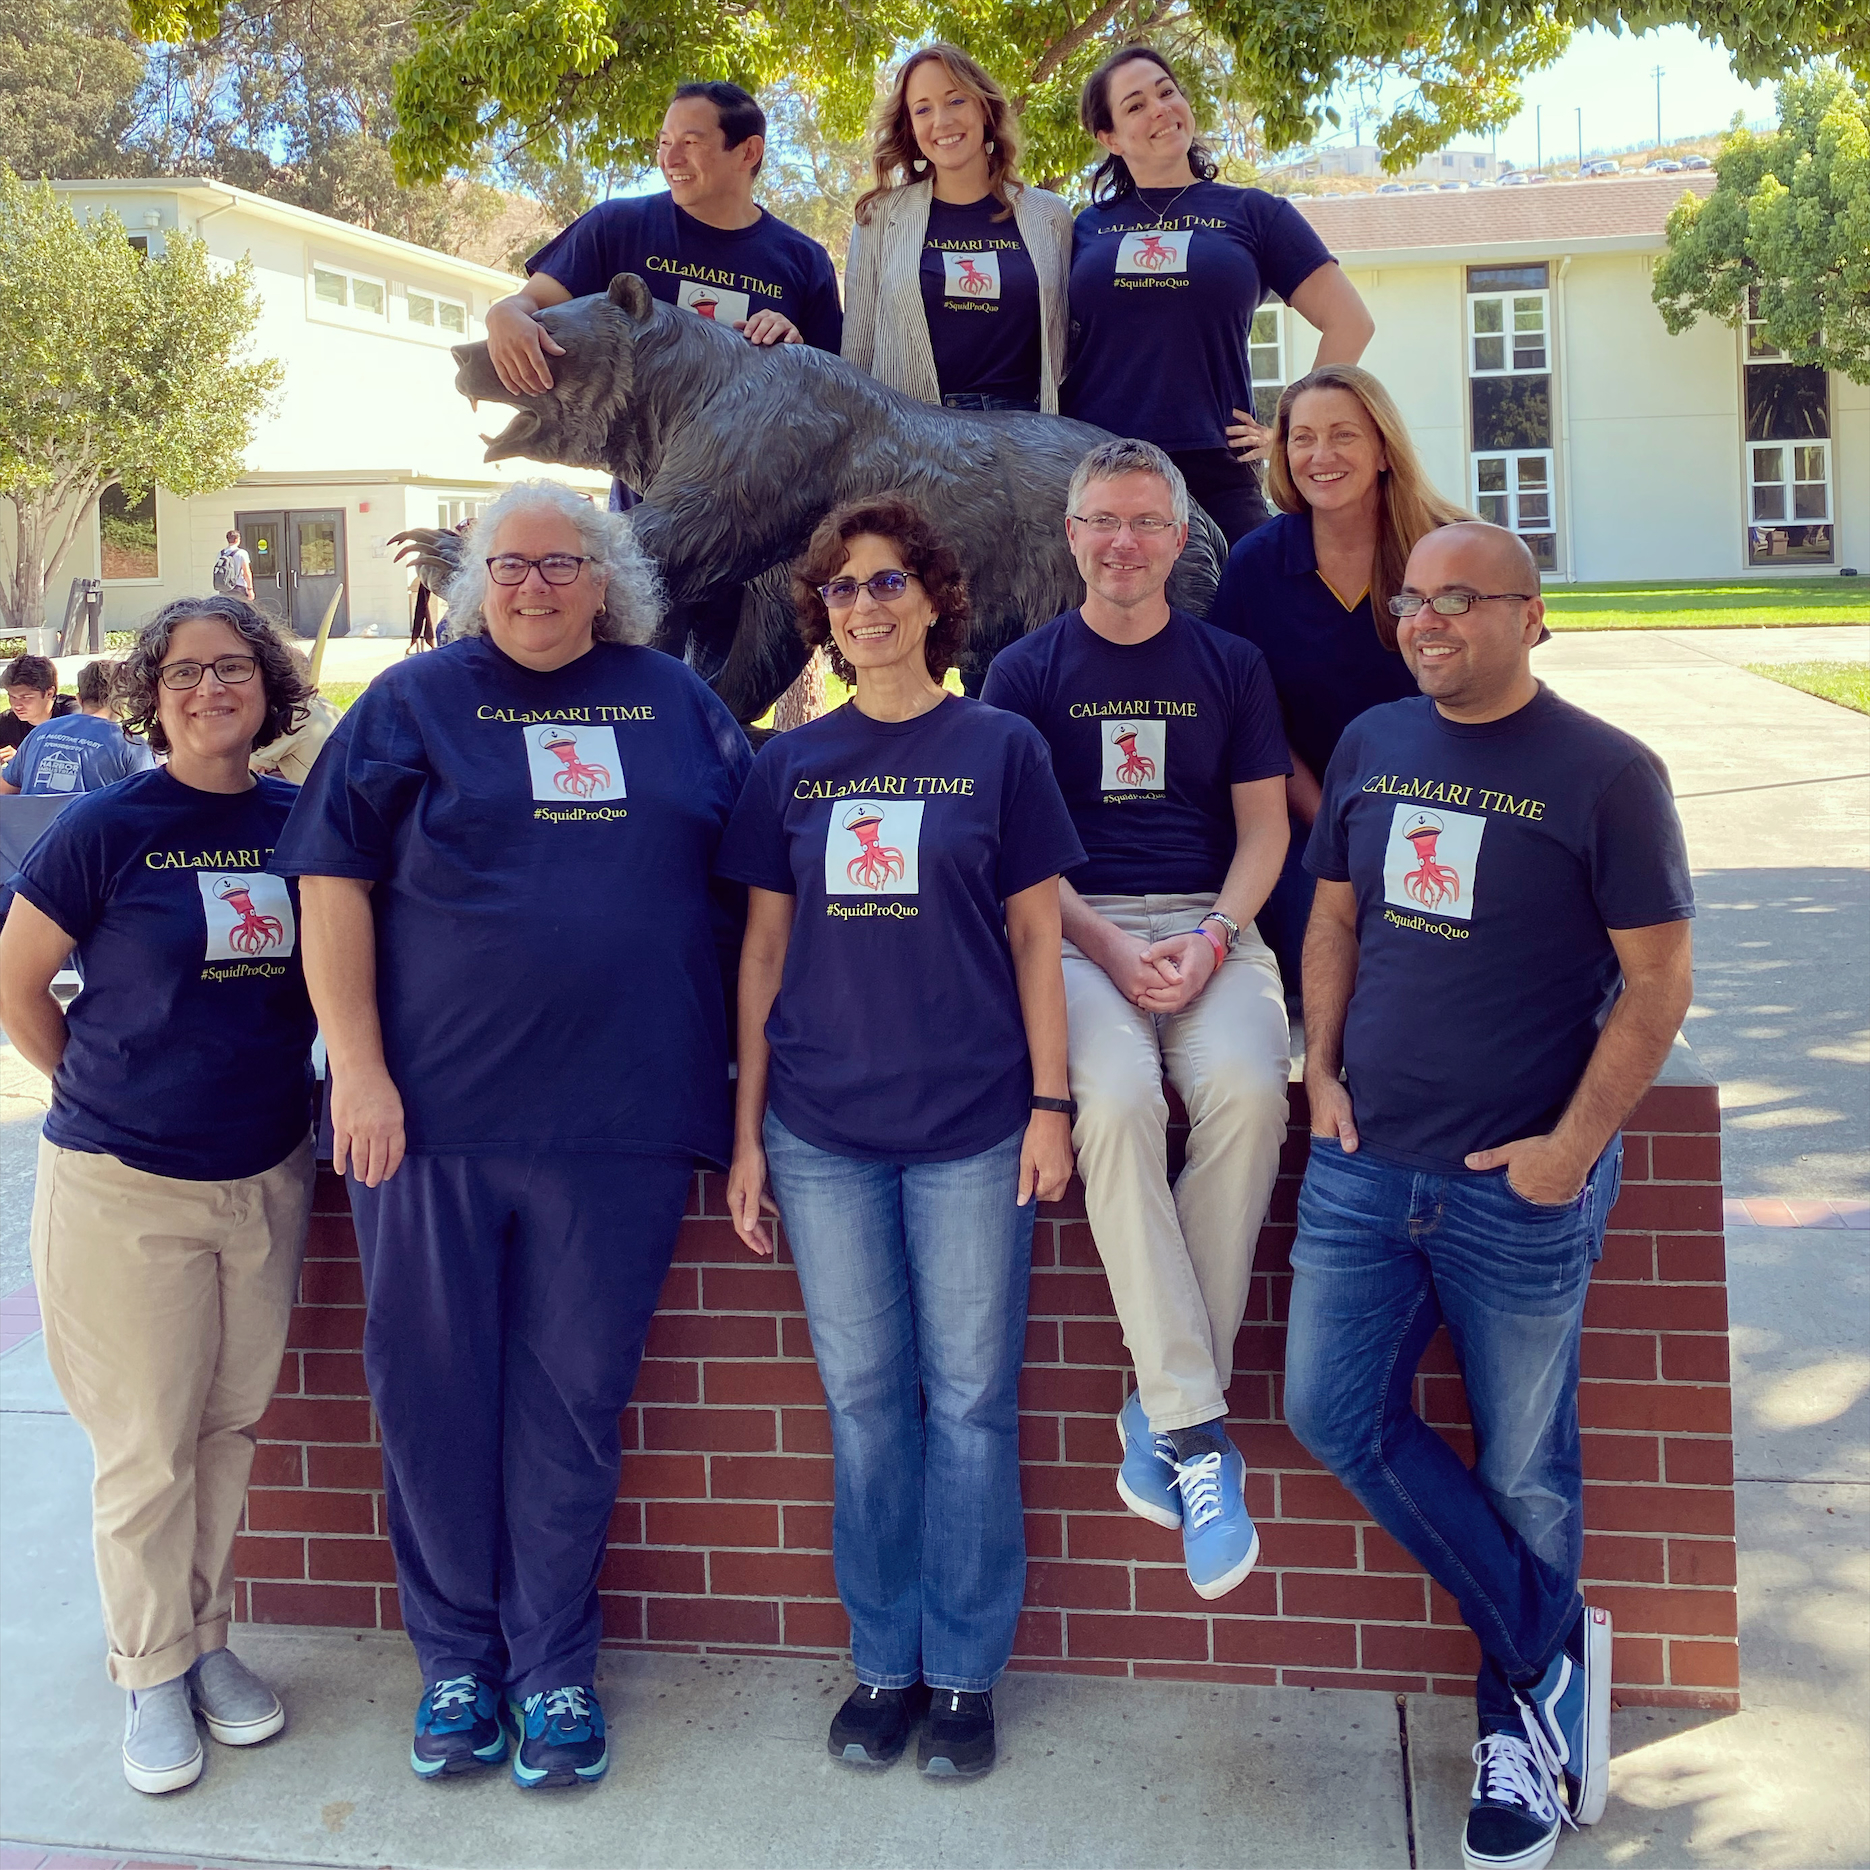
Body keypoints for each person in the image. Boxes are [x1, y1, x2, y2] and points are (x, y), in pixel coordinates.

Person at [271, 479, 750, 1793]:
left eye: (563, 563)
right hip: (427, 1124)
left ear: (607, 580)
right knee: (430, 1397)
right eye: (512, 564)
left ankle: (552, 1668)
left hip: (624, 1124)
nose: (535, 585)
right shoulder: (414, 703)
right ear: (480, 578)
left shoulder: (676, 706)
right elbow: (329, 884)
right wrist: (358, 1074)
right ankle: (456, 1666)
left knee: (575, 1403)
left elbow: (754, 896)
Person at [1285, 521, 1695, 1870]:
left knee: (1525, 1467)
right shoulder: (1372, 743)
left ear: (1532, 617)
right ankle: (1550, 1642)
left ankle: (1515, 1732)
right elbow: (1335, 916)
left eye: (1457, 600)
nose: (1424, 620)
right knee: (1327, 1409)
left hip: (1517, 1188)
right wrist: (1320, 1070)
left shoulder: (1607, 775)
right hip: (1362, 1164)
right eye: (1411, 599)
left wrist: (1567, 1150)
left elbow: (1654, 987)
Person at [719, 495, 1082, 1780]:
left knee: (974, 1405)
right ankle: (884, 1661)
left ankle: (966, 1675)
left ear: (934, 601)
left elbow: (1040, 938)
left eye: (887, 585)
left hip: (977, 1127)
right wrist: (750, 1132)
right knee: (867, 1407)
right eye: (842, 590)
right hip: (822, 1133)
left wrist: (1052, 1102)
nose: (863, 607)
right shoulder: (788, 765)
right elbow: (761, 953)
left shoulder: (1000, 749)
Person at [0, 598, 318, 1795]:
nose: (208, 688)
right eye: (184, 671)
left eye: (231, 668)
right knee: (144, 1449)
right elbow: (19, 985)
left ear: (267, 687)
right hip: (124, 1186)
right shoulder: (106, 826)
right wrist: (98, 1083)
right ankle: (147, 1668)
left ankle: (208, 1642)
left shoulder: (301, 822)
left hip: (266, 1174)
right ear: (152, 692)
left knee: (226, 1430)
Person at [981, 438, 1291, 1599]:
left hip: (1215, 924)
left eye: (1144, 523)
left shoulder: (1230, 663)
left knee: (1252, 1091)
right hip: (1077, 931)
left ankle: (1159, 1411)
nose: (1122, 543)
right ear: (1071, 536)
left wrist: (1213, 935)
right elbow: (1020, 862)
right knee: (1108, 1103)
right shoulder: (1021, 673)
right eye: (1100, 521)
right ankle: (1199, 1437)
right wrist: (1109, 945)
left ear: (1177, 539)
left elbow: (1265, 829)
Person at [1208, 364, 1470, 997]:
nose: (1320, 455)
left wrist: (1404, 825)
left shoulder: (1452, 546)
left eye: (1343, 436)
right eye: (1302, 438)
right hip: (1306, 809)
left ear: (1383, 447)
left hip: (1438, 802)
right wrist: (1331, 823)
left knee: (1440, 975)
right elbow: (1253, 723)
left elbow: (1493, 699)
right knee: (1322, 971)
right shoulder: (1257, 564)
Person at [1061, 45, 1374, 546]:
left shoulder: (1255, 213)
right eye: (1135, 105)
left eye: (1167, 92)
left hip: (1213, 468)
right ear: (1110, 138)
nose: (1160, 108)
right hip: (1098, 469)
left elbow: (1351, 322)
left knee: (1245, 616)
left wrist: (1291, 430)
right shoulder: (1082, 227)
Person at [487, 80, 843, 411]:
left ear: (748, 152)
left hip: (760, 475)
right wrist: (503, 315)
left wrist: (796, 352)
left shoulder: (805, 260)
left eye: (690, 143)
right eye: (664, 142)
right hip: (645, 479)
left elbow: (832, 396)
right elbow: (529, 305)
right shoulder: (617, 226)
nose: (670, 160)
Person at [842, 44, 1072, 413]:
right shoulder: (880, 217)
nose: (941, 121)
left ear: (983, 107)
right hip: (914, 443)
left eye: (955, 101)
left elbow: (1069, 347)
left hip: (1028, 440)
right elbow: (859, 346)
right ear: (911, 128)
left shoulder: (1051, 216)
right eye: (922, 109)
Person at [0, 658, 156, 795]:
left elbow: (5, 789)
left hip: (35, 827)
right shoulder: (131, 744)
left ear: (79, 699)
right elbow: (147, 801)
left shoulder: (39, 731)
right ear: (122, 701)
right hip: (93, 828)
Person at [0, 654, 79, 752]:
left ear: (49, 693)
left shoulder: (73, 717)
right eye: (12, 697)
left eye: (26, 697)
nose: (17, 705)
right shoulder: (7, 722)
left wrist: (20, 760)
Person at [214, 530, 254, 601]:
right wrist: (250, 588)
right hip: (238, 587)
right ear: (237, 539)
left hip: (224, 587)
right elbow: (246, 572)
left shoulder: (220, 553)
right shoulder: (242, 553)